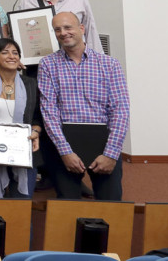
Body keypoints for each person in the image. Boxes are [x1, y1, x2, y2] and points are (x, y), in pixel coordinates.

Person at [37, 12, 129, 201]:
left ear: (81, 29)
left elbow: (120, 110)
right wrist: (65, 152)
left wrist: (111, 154)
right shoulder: (47, 64)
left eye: (68, 27)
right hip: (65, 142)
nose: (63, 33)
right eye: (58, 29)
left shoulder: (109, 64)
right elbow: (49, 112)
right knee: (67, 209)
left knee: (111, 204)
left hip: (104, 141)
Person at [0, 38, 42, 198]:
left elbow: (37, 118)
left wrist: (36, 132)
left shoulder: (31, 83)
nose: (12, 56)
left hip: (25, 154)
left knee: (21, 209)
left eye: (15, 52)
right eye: (5, 52)